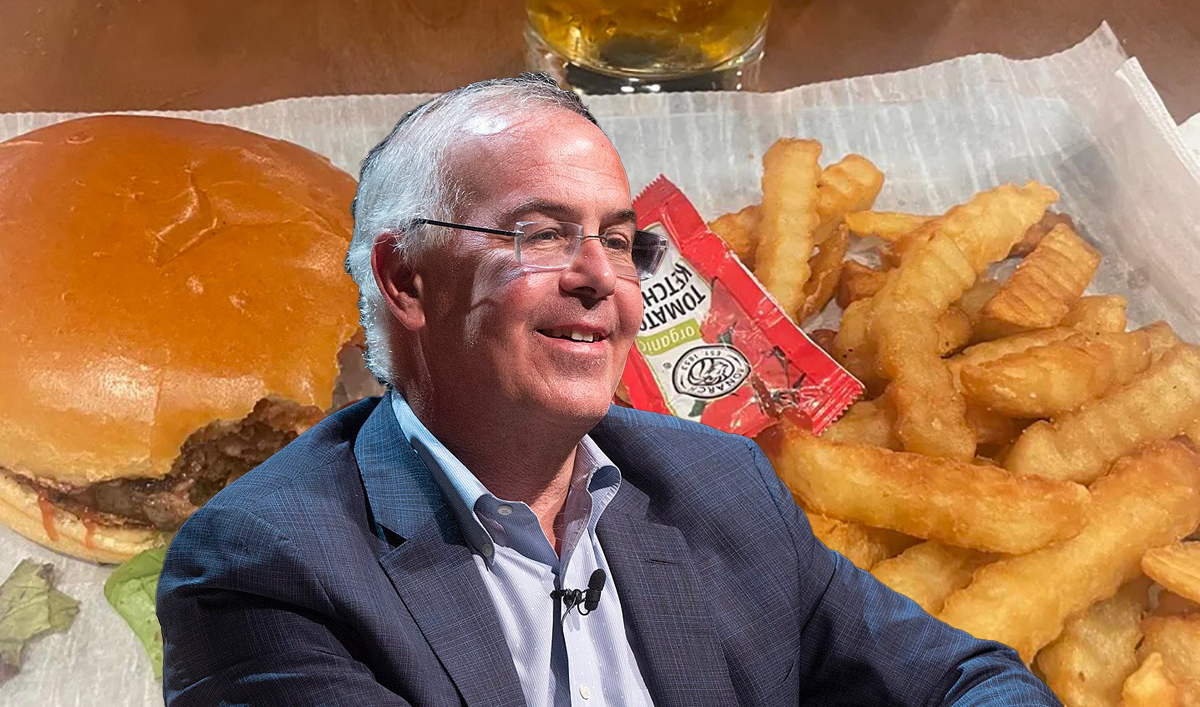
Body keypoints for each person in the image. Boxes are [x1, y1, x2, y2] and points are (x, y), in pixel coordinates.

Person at [157, 73, 1060, 706]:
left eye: (621, 241)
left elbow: (959, 679)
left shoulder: (721, 480)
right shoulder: (259, 570)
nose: (602, 279)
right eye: (541, 235)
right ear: (406, 281)